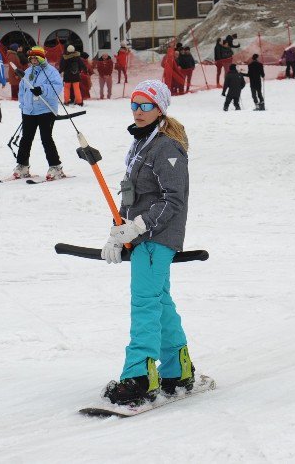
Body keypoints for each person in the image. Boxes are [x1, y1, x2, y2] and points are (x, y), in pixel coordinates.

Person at [99, 79, 195, 406]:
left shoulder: (166, 147)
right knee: (159, 302)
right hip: (141, 238)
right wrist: (118, 233)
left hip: (157, 238)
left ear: (160, 109)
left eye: (146, 106)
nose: (138, 112)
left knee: (144, 304)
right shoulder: (141, 144)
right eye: (134, 105)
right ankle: (176, 369)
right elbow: (131, 194)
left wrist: (138, 226)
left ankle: (139, 376)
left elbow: (173, 200)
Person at [13, 46, 65, 181]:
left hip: (46, 110)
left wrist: (42, 89)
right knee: (26, 139)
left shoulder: (51, 72)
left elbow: (57, 87)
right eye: (31, 58)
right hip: (29, 111)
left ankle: (55, 166)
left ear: (41, 58)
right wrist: (23, 106)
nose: (33, 60)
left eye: (36, 58)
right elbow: (22, 90)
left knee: (46, 138)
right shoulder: (28, 71)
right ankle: (22, 165)